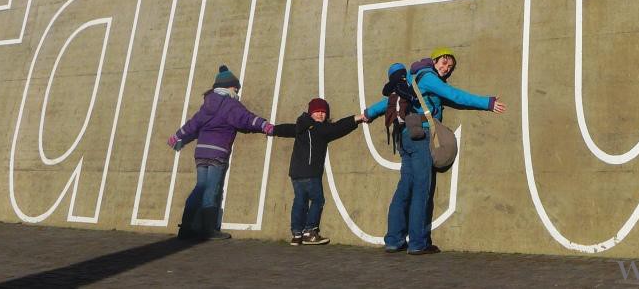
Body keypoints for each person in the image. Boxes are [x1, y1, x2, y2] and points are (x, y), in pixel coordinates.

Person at [364, 48, 506, 255]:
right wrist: (487, 102)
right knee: (422, 189)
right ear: (434, 60)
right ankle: (417, 243)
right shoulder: (429, 77)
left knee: (405, 188)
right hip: (420, 135)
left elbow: (387, 103)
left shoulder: (409, 79)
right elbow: (455, 95)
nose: (446, 69)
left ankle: (394, 240)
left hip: (403, 136)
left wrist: (367, 113)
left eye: (449, 67)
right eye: (444, 63)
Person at [167, 64, 274, 240]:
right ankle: (209, 230)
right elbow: (246, 119)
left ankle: (186, 227)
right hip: (217, 153)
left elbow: (193, 123)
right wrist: (264, 125)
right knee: (212, 189)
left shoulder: (207, 104)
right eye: (235, 87)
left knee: (200, 188)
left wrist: (177, 136)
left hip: (201, 153)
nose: (237, 89)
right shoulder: (230, 105)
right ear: (229, 87)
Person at [271, 98, 366, 245]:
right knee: (317, 200)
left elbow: (286, 129)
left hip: (296, 174)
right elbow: (338, 127)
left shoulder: (300, 127)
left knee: (299, 201)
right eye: (317, 112)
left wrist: (271, 129)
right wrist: (357, 118)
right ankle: (309, 232)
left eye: (323, 112)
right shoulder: (320, 129)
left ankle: (296, 234)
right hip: (311, 173)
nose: (321, 115)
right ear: (311, 113)